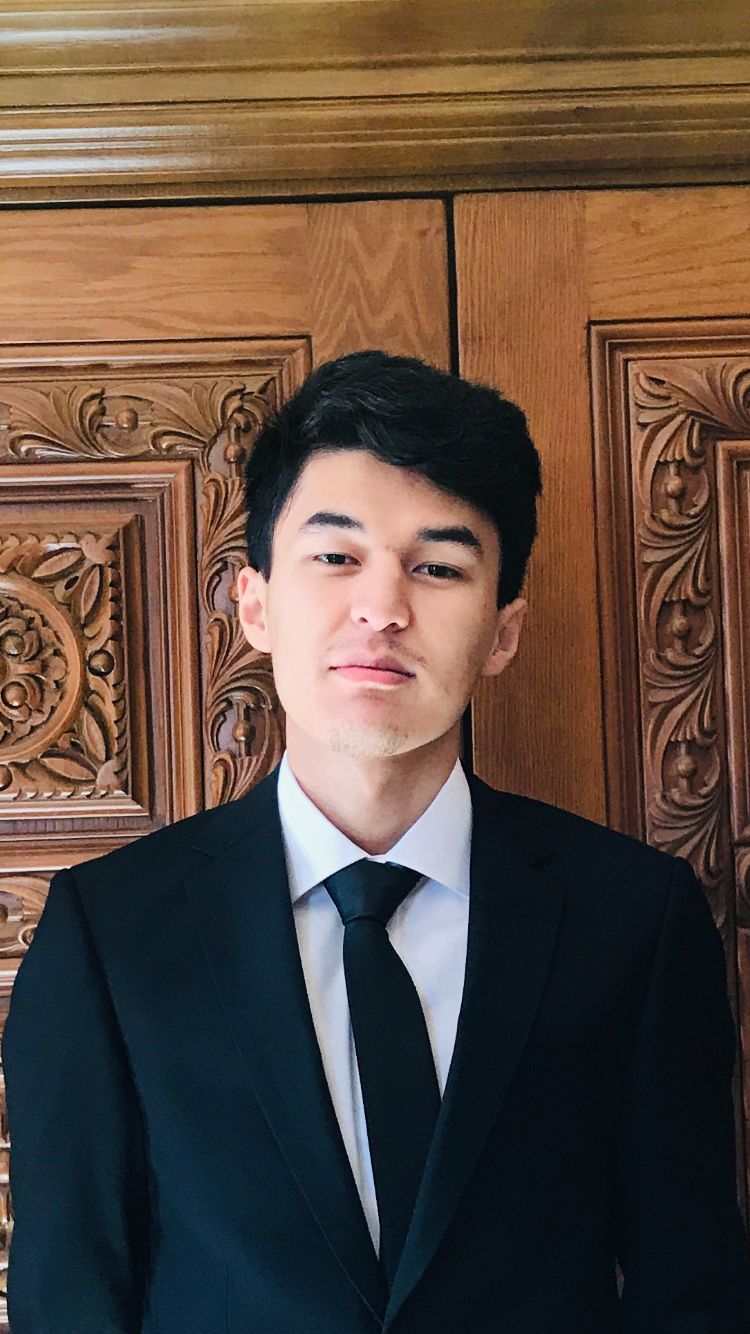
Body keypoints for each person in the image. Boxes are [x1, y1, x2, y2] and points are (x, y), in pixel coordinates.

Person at [3, 350, 749, 1334]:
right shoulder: (110, 931)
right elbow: (69, 1296)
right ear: (255, 603)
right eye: (336, 556)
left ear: (503, 631)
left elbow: (692, 1291)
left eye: (438, 566)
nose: (384, 608)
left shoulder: (633, 918)